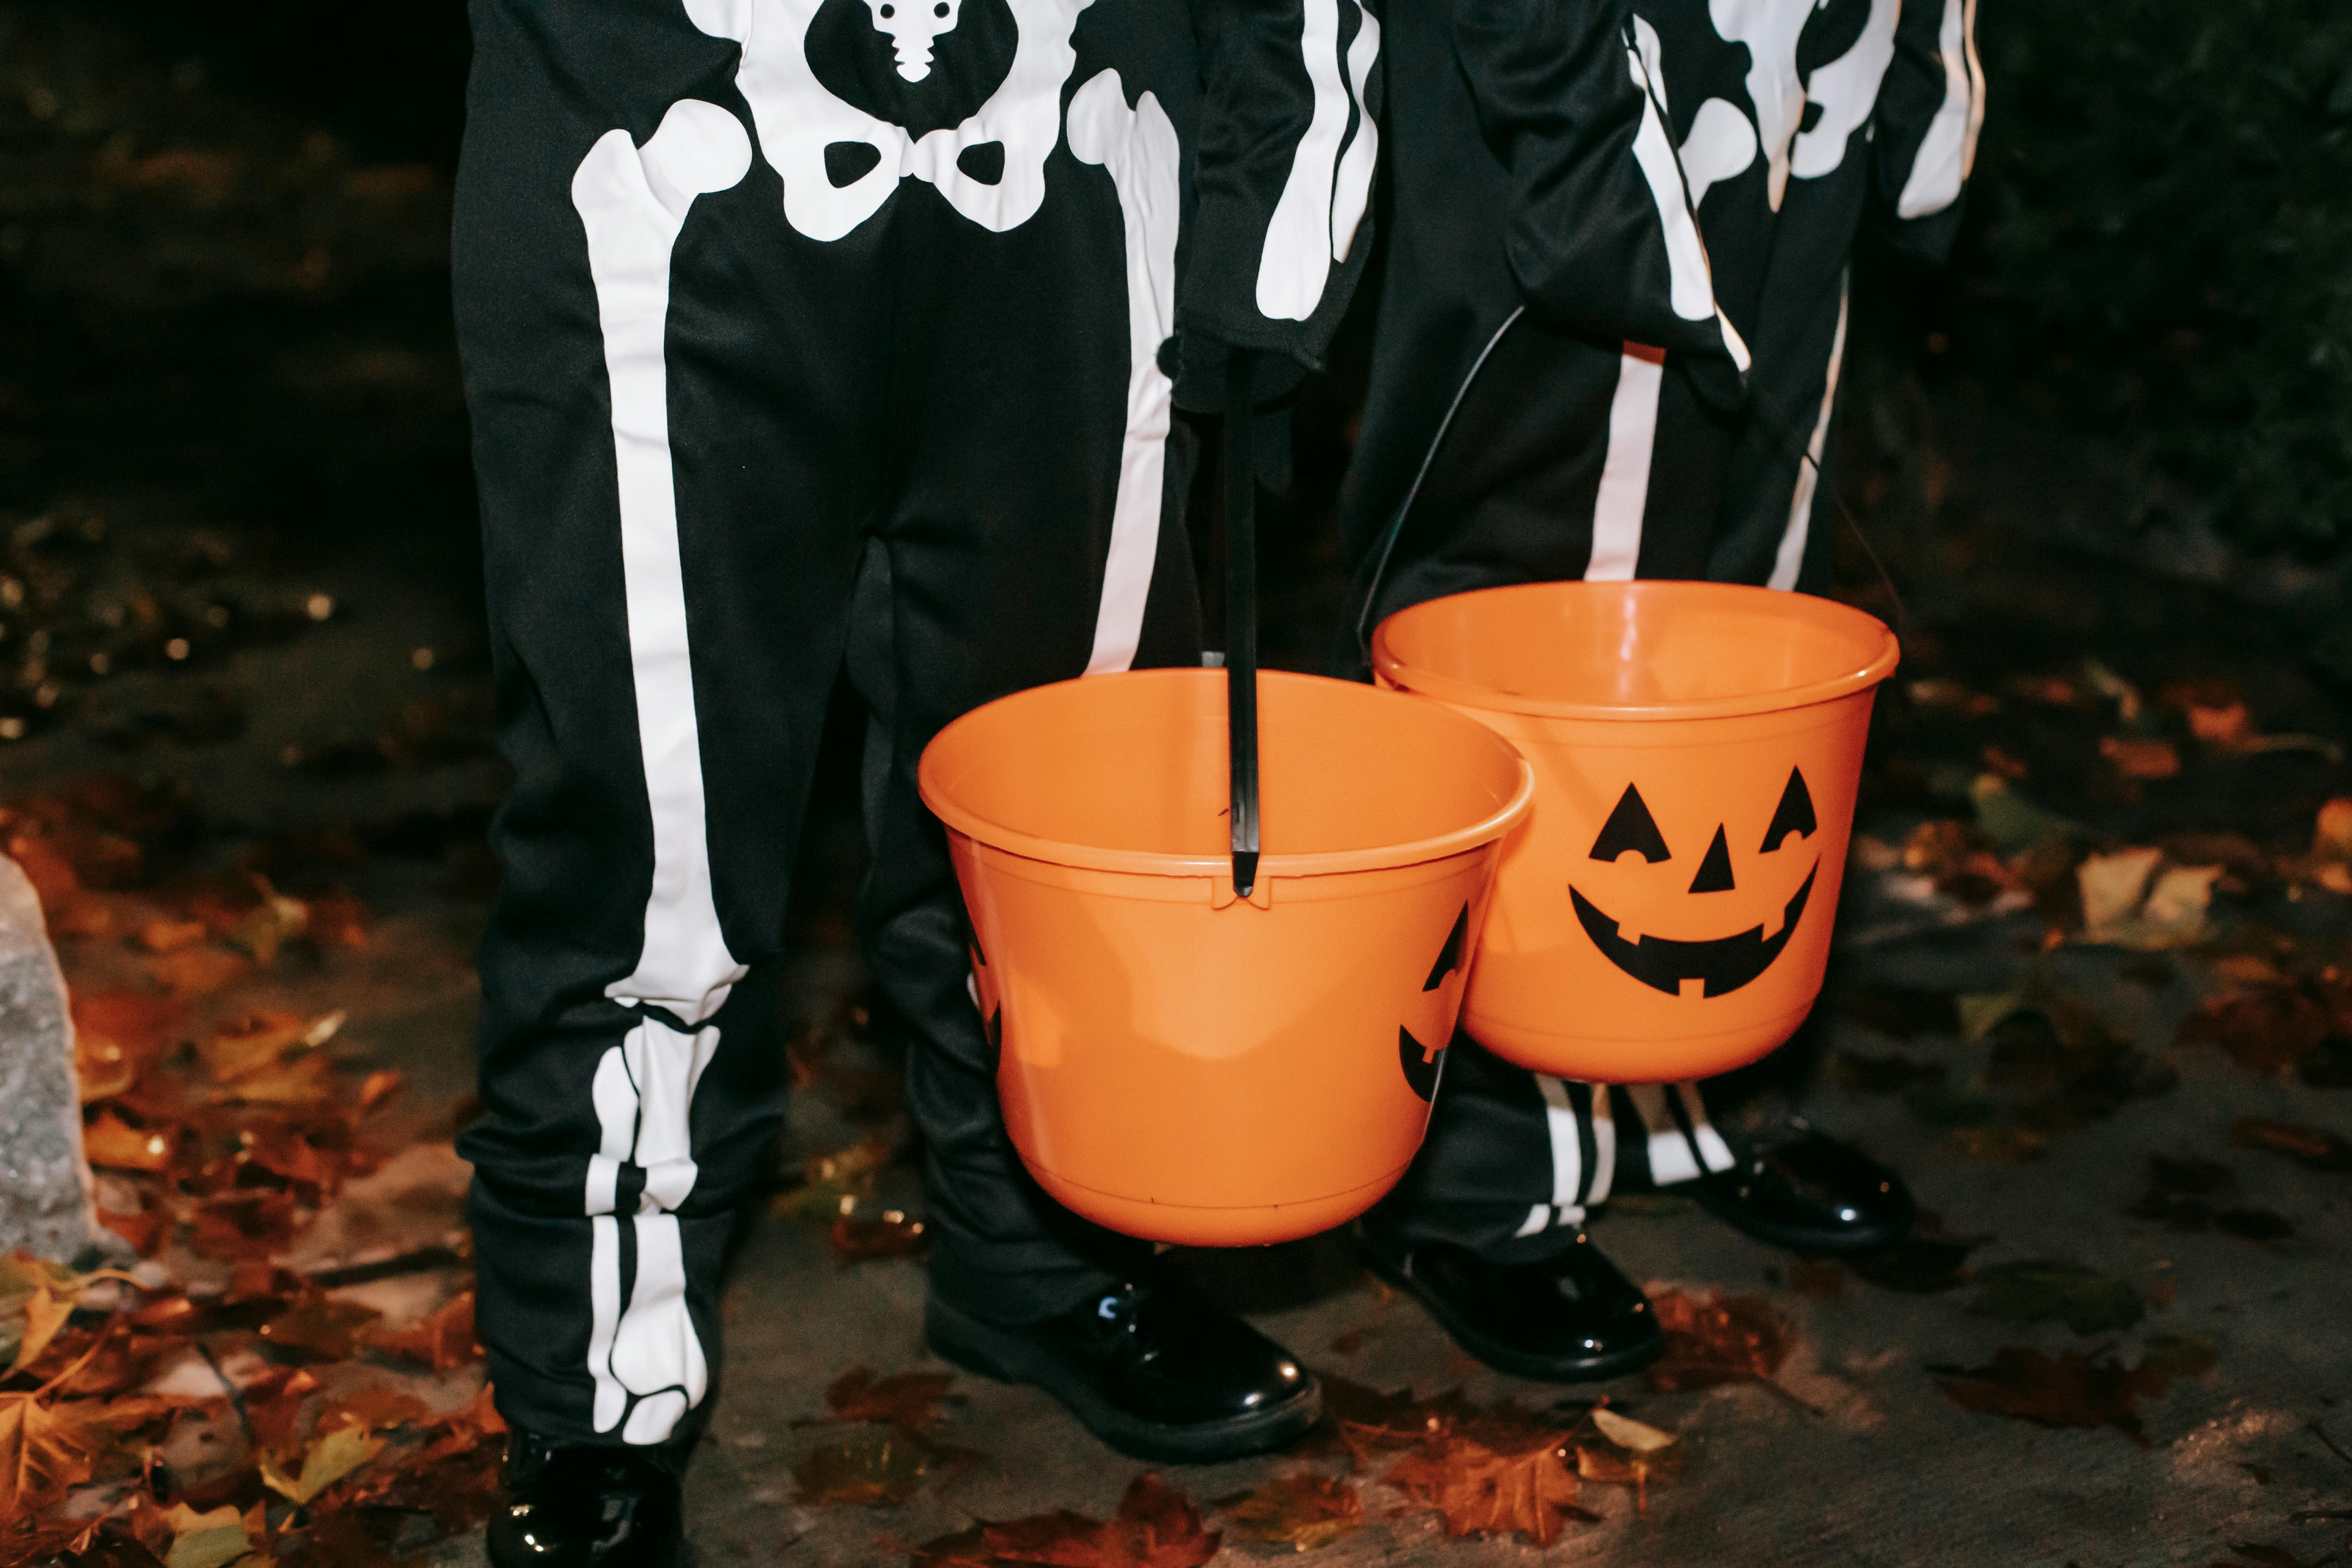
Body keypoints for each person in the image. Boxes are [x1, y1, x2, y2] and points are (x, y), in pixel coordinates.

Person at [448, 0, 1380, 1558]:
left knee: (1070, 793)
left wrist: (1282, 206)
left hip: (1083, 152)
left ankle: (1045, 1248)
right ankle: (598, 1378)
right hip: (661, 150)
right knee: (647, 825)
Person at [1337, 0, 1983, 1379]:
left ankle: (1689, 1086)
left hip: (1799, 73)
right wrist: (1569, 129)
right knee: (1535, 599)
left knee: (1753, 595)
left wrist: (1930, 59)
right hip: (1578, 67)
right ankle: (1476, 1166)